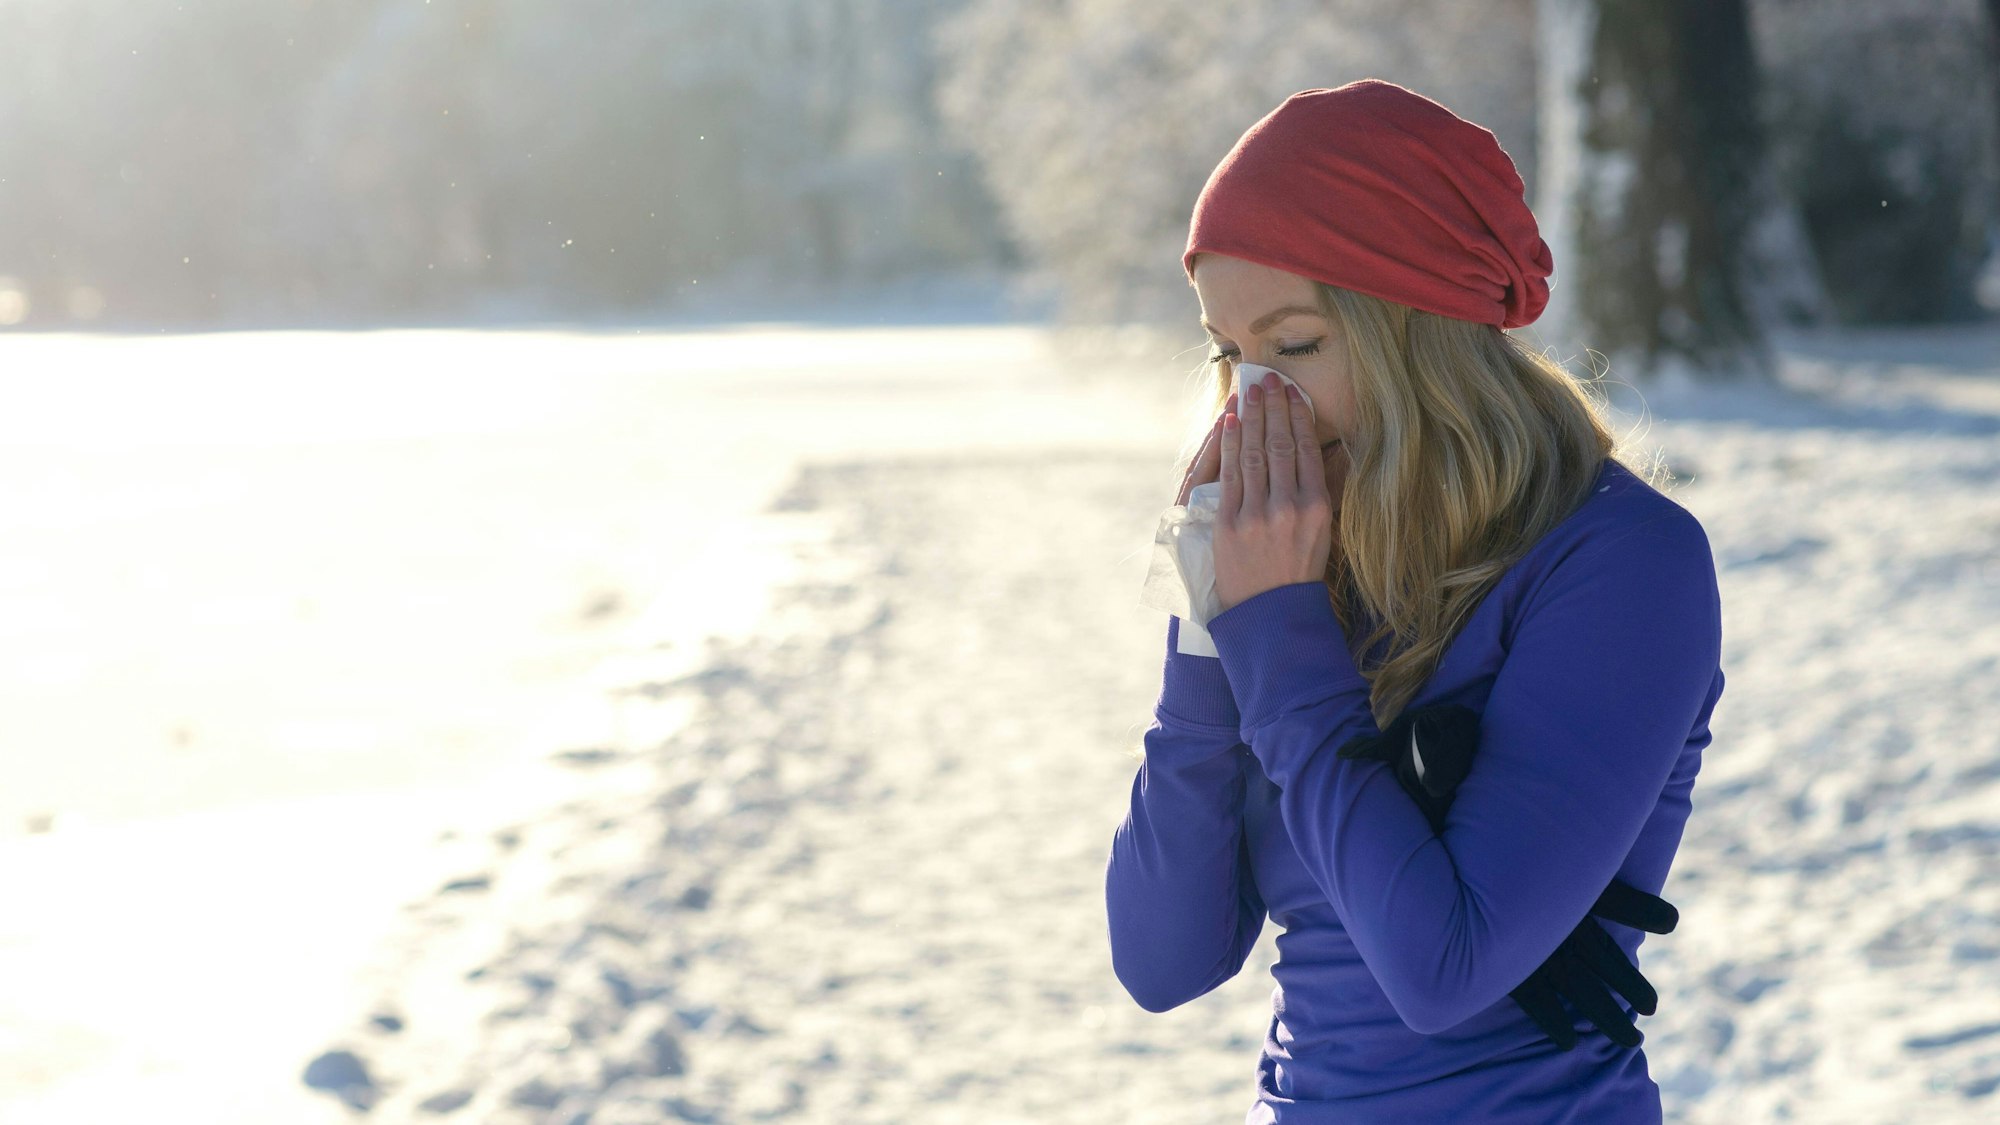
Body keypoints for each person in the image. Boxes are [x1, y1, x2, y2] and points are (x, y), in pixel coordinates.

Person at [1103, 78, 1726, 1123]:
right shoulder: (1305, 565)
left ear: (1418, 329)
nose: (1255, 402)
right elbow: (1163, 961)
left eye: (1295, 345)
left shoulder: (1620, 561)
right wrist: (1208, 637)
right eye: (1230, 352)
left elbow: (1444, 967)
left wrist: (1279, 639)